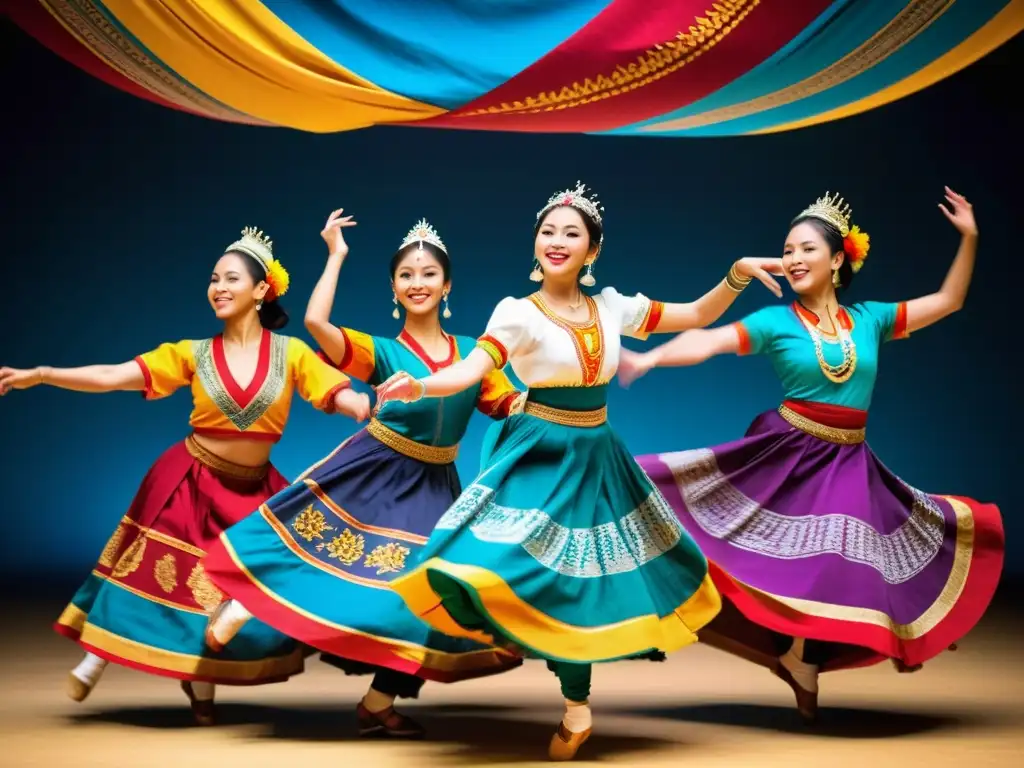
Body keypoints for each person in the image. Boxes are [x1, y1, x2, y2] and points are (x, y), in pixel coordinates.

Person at [374, 182, 785, 760]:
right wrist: (419, 382)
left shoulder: (612, 306)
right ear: (535, 244)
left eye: (572, 233)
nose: (557, 242)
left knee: (594, 578)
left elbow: (694, 314)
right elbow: (469, 371)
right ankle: (561, 694)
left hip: (598, 453)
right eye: (548, 232)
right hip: (541, 451)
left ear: (592, 250)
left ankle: (575, 708)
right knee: (514, 566)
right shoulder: (516, 313)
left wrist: (737, 274)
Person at [619, 188, 1004, 723]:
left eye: (806, 249)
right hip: (791, 455)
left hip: (849, 461)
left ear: (838, 258)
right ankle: (709, 624)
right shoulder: (777, 323)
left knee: (857, 567)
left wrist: (970, 237)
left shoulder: (869, 320)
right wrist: (651, 358)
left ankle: (800, 659)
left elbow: (948, 301)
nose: (793, 259)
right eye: (788, 249)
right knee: (775, 553)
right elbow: (708, 342)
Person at [0, 227, 371, 725]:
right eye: (214, 278)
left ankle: (200, 685)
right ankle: (97, 657)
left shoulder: (293, 354)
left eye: (231, 278)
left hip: (254, 489)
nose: (218, 286)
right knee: (148, 571)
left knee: (250, 584)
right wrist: (42, 373)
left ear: (262, 290)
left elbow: (336, 392)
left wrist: (359, 404)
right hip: (190, 479)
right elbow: (114, 376)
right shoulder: (192, 353)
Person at [202, 213, 524, 739]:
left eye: (428, 274)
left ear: (447, 285)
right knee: (321, 557)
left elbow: (510, 404)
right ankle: (246, 602)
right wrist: (336, 255)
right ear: (394, 288)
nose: (417, 284)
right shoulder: (382, 350)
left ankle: (377, 703)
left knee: (429, 596)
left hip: (436, 487)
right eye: (406, 275)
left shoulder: (475, 353)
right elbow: (317, 327)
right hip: (375, 472)